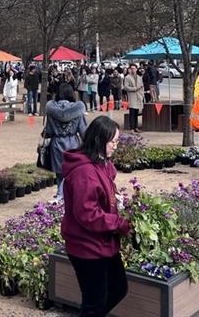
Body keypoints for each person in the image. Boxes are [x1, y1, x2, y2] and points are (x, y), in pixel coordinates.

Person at [61, 115, 130, 317]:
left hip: (103, 242)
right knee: (94, 303)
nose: (116, 146)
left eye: (117, 141)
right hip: (87, 247)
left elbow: (104, 193)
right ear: (99, 141)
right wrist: (118, 223)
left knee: (117, 289)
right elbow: (87, 213)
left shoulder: (102, 163)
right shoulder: (84, 172)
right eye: (113, 142)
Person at [45, 83, 87, 199]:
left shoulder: (51, 110)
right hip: (73, 143)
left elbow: (48, 130)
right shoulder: (77, 110)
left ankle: (60, 194)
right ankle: (67, 195)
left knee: (59, 173)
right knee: (72, 172)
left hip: (56, 143)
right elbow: (83, 131)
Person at [122, 64, 144, 132]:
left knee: (136, 113)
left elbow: (142, 87)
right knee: (132, 113)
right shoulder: (127, 77)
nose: (133, 70)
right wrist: (134, 89)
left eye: (134, 68)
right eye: (131, 68)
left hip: (138, 97)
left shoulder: (139, 77)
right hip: (132, 97)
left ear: (136, 69)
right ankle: (131, 128)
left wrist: (142, 95)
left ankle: (136, 127)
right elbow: (126, 87)